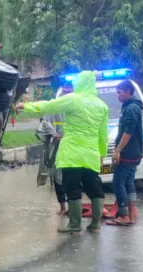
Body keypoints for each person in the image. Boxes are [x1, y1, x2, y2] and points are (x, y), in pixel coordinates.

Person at [18, 71, 109, 233]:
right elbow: (103, 136)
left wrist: (25, 106)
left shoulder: (73, 100)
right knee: (94, 188)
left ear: (80, 83)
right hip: (91, 154)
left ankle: (74, 224)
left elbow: (49, 105)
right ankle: (95, 224)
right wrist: (101, 155)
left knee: (72, 188)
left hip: (72, 154)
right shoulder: (102, 106)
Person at [107, 80, 142, 226]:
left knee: (118, 182)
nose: (118, 95)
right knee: (128, 182)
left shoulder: (131, 108)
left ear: (128, 91)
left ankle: (123, 214)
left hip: (128, 152)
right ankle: (132, 210)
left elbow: (128, 131)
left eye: (119, 92)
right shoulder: (131, 106)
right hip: (134, 152)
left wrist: (117, 151)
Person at [35, 110, 68, 215]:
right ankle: (64, 207)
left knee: (65, 179)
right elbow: (42, 128)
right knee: (58, 179)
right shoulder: (52, 111)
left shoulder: (76, 110)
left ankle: (67, 207)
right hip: (56, 150)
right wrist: (53, 136)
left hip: (69, 150)